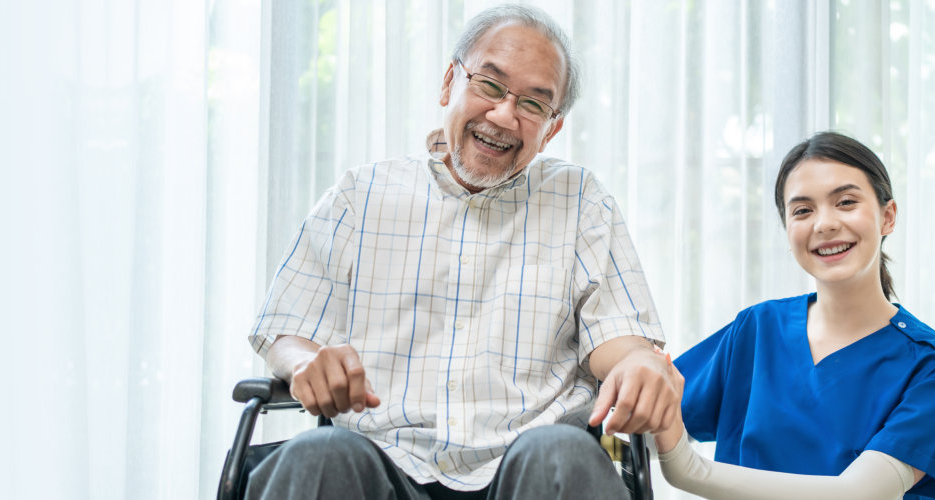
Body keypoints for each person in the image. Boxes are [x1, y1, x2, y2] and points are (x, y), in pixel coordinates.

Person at [243, 5, 682, 500]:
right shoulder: (359, 194)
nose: (503, 115)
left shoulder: (581, 201)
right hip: (379, 461)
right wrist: (304, 363)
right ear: (450, 82)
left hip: (530, 469)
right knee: (316, 459)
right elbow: (288, 328)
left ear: (551, 129)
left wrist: (638, 364)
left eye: (533, 105)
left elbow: (619, 340)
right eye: (490, 86)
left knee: (563, 454)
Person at [653, 132, 935, 500]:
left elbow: (855, 494)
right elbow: (649, 427)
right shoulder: (757, 330)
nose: (824, 224)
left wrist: (688, 468)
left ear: (887, 217)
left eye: (845, 202)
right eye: (802, 210)